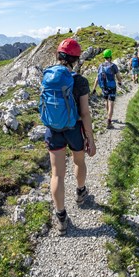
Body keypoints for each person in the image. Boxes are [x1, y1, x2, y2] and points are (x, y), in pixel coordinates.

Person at [43, 38, 96, 235]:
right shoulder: (80, 81)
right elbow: (85, 113)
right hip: (74, 129)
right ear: (76, 59)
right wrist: (90, 138)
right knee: (79, 161)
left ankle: (61, 217)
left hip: (53, 130)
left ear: (58, 55)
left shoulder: (48, 76)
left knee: (57, 173)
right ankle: (81, 193)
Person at [92, 49, 123, 129]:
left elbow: (97, 78)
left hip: (104, 87)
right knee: (111, 103)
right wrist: (120, 82)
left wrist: (94, 88)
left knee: (106, 101)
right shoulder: (113, 66)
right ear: (110, 56)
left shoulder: (100, 66)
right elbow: (118, 76)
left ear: (104, 57)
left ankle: (108, 115)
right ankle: (109, 121)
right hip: (112, 87)